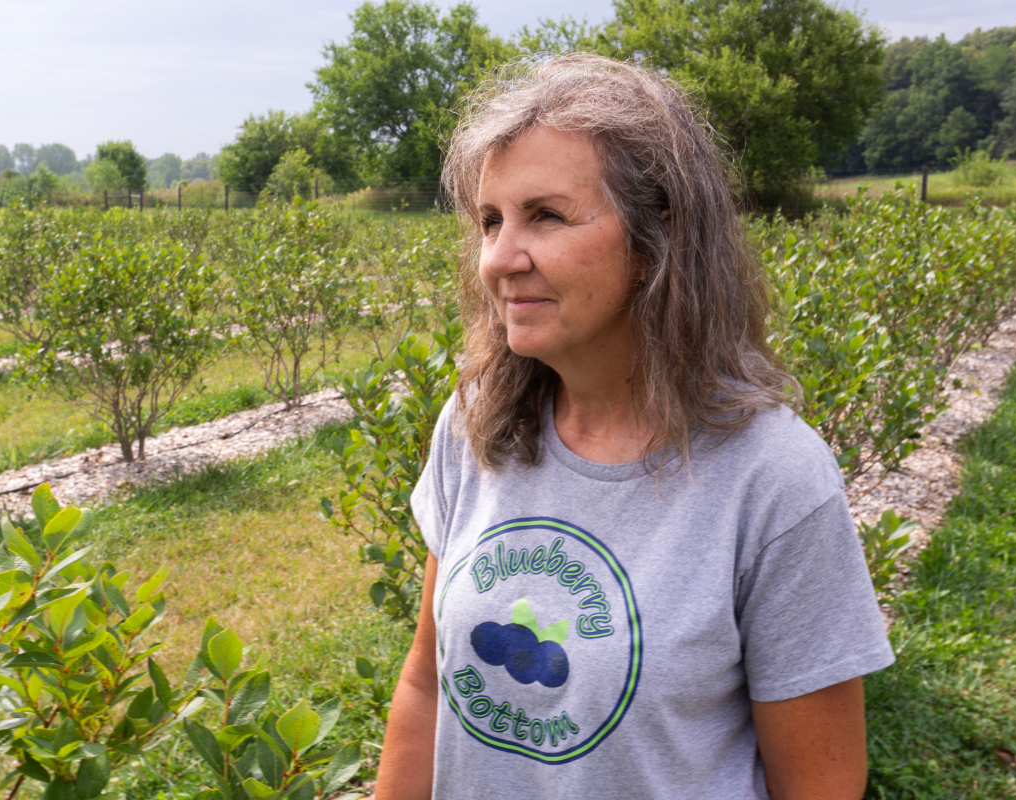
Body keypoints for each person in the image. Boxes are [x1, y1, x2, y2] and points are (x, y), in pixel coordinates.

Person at [374, 54, 894, 800]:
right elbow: (427, 688)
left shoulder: (772, 477)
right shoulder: (475, 424)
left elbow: (820, 784)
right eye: (491, 220)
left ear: (659, 238)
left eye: (545, 215)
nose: (499, 258)